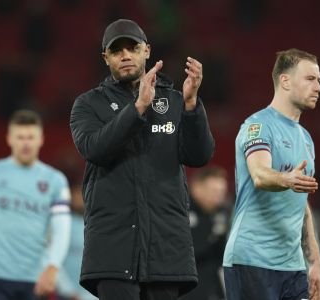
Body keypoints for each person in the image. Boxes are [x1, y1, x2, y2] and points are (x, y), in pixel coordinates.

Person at [70, 18, 215, 300]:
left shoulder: (175, 101)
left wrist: (191, 105)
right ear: (106, 58)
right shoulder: (88, 104)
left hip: (165, 247)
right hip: (112, 249)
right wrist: (138, 107)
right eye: (116, 50)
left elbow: (200, 156)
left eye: (132, 48)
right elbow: (94, 148)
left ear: (146, 51)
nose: (125, 55)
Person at [223, 49, 320, 300]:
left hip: (292, 266)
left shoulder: (306, 139)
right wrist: (286, 179)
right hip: (253, 260)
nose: (319, 87)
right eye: (310, 79)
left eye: (319, 80)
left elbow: (302, 205)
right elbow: (260, 174)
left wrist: (315, 260)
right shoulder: (257, 125)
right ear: (285, 81)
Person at [0, 109, 72, 300]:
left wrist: (52, 267)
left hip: (34, 280)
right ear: (9, 139)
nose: (25, 143)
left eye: (30, 137)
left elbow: (61, 231)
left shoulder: (55, 181)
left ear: (41, 139)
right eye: (20, 137)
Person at [180, 167, 229, 300]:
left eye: (221, 192)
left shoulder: (222, 214)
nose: (218, 197)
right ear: (197, 188)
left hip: (213, 287)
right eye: (213, 191)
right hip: (184, 288)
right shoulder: (180, 212)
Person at [55, 184, 98, 300]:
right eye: (77, 195)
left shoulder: (99, 225)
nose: (80, 198)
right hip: (69, 294)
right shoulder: (65, 224)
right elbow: (56, 259)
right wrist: (67, 290)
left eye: (83, 194)